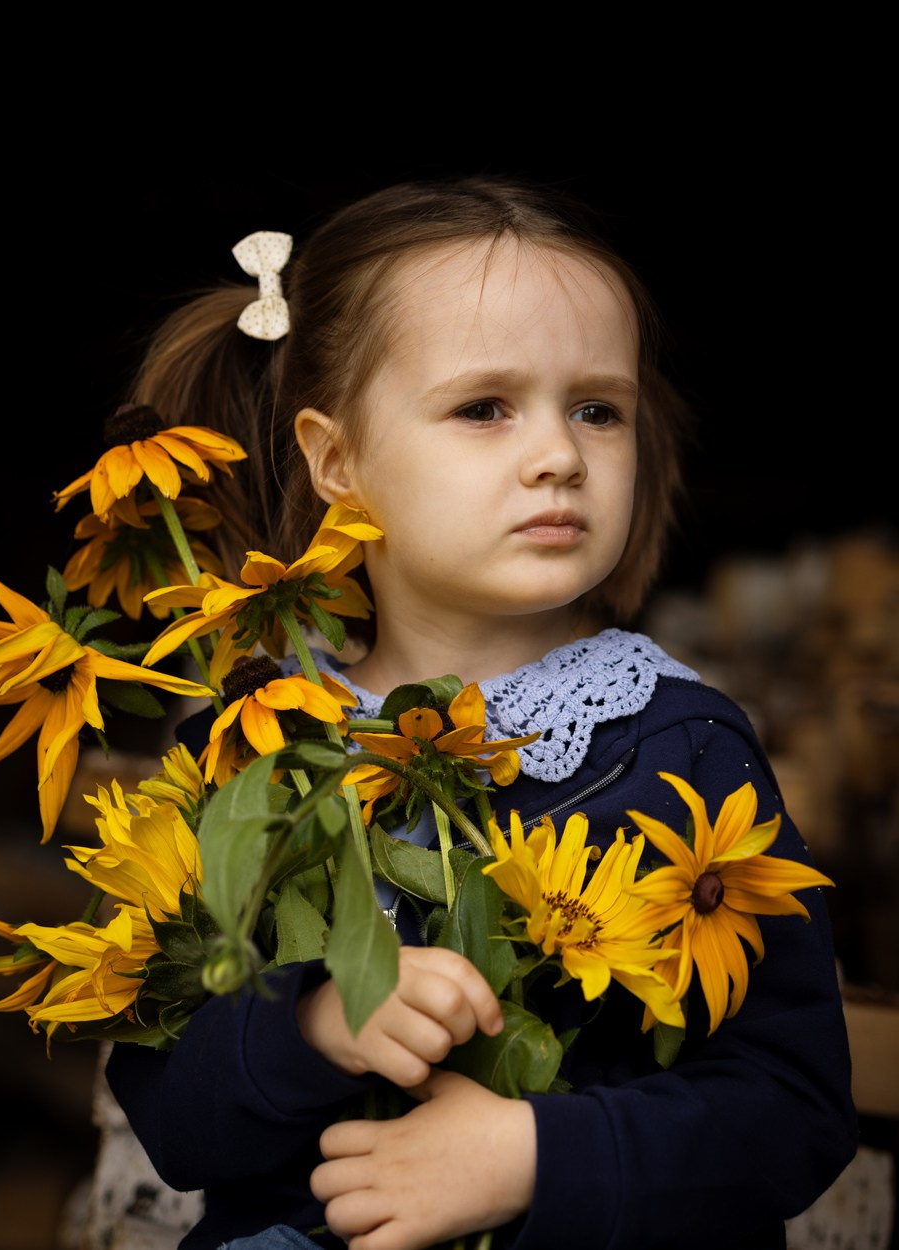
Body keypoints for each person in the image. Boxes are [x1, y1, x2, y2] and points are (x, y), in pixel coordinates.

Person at [104, 177, 858, 1250]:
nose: (558, 453)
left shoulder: (678, 742)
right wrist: (313, 1023)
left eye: (597, 407)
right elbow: (171, 1108)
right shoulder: (254, 735)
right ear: (337, 459)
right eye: (483, 407)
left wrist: (534, 1155)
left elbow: (792, 1105)